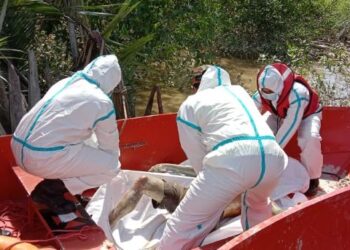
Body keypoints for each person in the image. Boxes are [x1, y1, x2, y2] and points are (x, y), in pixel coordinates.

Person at [158, 65, 287, 249]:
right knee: (257, 208)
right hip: (274, 157)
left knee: (180, 226)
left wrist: (212, 191)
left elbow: (197, 157)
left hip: (232, 159)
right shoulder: (241, 92)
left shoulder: (190, 104)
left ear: (197, 85)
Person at [11, 54, 122, 214]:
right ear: (112, 81)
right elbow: (110, 145)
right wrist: (103, 163)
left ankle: (61, 183)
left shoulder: (65, 83)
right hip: (41, 159)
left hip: (18, 145)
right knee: (112, 166)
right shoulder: (101, 101)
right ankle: (49, 191)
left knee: (86, 142)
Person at [252, 63, 323, 196]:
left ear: (279, 87)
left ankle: (313, 180)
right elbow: (248, 115)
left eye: (270, 92)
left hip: (307, 115)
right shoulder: (261, 92)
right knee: (259, 135)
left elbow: (290, 126)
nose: (266, 95)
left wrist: (273, 155)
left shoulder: (298, 93)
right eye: (264, 91)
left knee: (310, 138)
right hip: (278, 113)